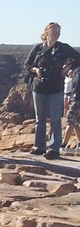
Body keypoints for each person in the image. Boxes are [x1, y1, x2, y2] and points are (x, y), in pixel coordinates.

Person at [22, 22, 80, 159]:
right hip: (39, 87)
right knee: (40, 118)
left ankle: (54, 148)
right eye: (54, 32)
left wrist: (68, 68)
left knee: (55, 119)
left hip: (56, 87)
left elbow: (79, 58)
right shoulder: (37, 48)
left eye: (58, 32)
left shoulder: (63, 48)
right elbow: (27, 64)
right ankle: (39, 147)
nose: (56, 34)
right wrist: (36, 70)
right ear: (47, 32)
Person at [64, 68, 79, 151]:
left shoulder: (77, 71)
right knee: (76, 123)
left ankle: (64, 144)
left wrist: (75, 94)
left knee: (70, 121)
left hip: (76, 100)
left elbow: (77, 83)